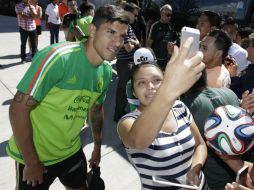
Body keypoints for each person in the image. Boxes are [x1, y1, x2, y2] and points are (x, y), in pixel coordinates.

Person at [6, 4, 129, 190]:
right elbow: (17, 110)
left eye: (122, 36)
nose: (117, 42)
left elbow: (96, 110)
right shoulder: (58, 58)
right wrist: (31, 162)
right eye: (110, 32)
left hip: (71, 152)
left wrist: (97, 147)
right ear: (93, 30)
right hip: (36, 156)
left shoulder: (105, 72)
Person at [117, 41, 208, 189]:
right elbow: (138, 140)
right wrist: (169, 90)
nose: (151, 87)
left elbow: (200, 145)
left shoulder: (179, 107)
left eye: (157, 80)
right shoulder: (127, 122)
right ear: (133, 91)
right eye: (141, 83)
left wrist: (195, 170)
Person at [114, 2, 140, 122]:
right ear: (127, 12)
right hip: (124, 62)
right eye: (135, 14)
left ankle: (120, 112)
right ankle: (118, 115)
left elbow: (137, 42)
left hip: (128, 62)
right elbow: (129, 47)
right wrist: (133, 42)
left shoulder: (128, 26)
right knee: (123, 90)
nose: (136, 17)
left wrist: (133, 42)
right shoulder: (121, 26)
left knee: (125, 90)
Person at [146, 4, 177, 70]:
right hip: (155, 59)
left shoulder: (170, 26)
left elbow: (174, 38)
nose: (170, 17)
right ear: (161, 14)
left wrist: (173, 43)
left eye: (171, 15)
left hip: (166, 59)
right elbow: (148, 44)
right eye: (168, 15)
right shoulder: (155, 26)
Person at [230, 33, 254, 100]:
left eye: (250, 46)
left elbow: (238, 98)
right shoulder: (251, 67)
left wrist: (233, 76)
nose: (247, 49)